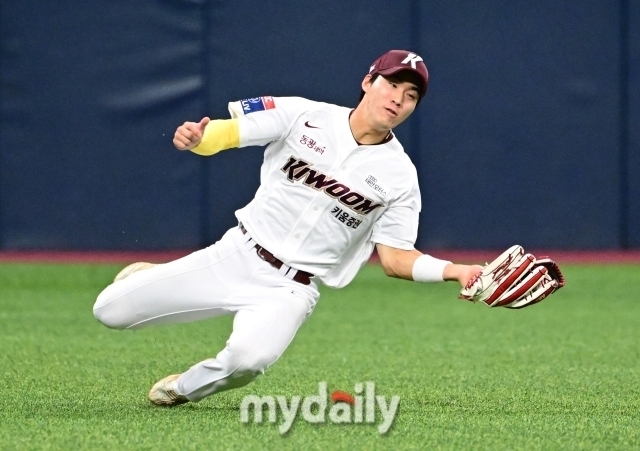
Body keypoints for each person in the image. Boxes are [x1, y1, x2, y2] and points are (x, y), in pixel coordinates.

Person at [93, 50, 482, 406]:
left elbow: (397, 259)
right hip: (238, 254)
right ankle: (153, 276)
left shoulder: (400, 177)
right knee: (108, 311)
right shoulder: (303, 115)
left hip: (290, 289)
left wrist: (455, 271)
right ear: (368, 82)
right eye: (391, 84)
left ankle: (182, 388)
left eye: (411, 95)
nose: (398, 98)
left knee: (247, 362)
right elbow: (227, 133)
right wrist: (199, 139)